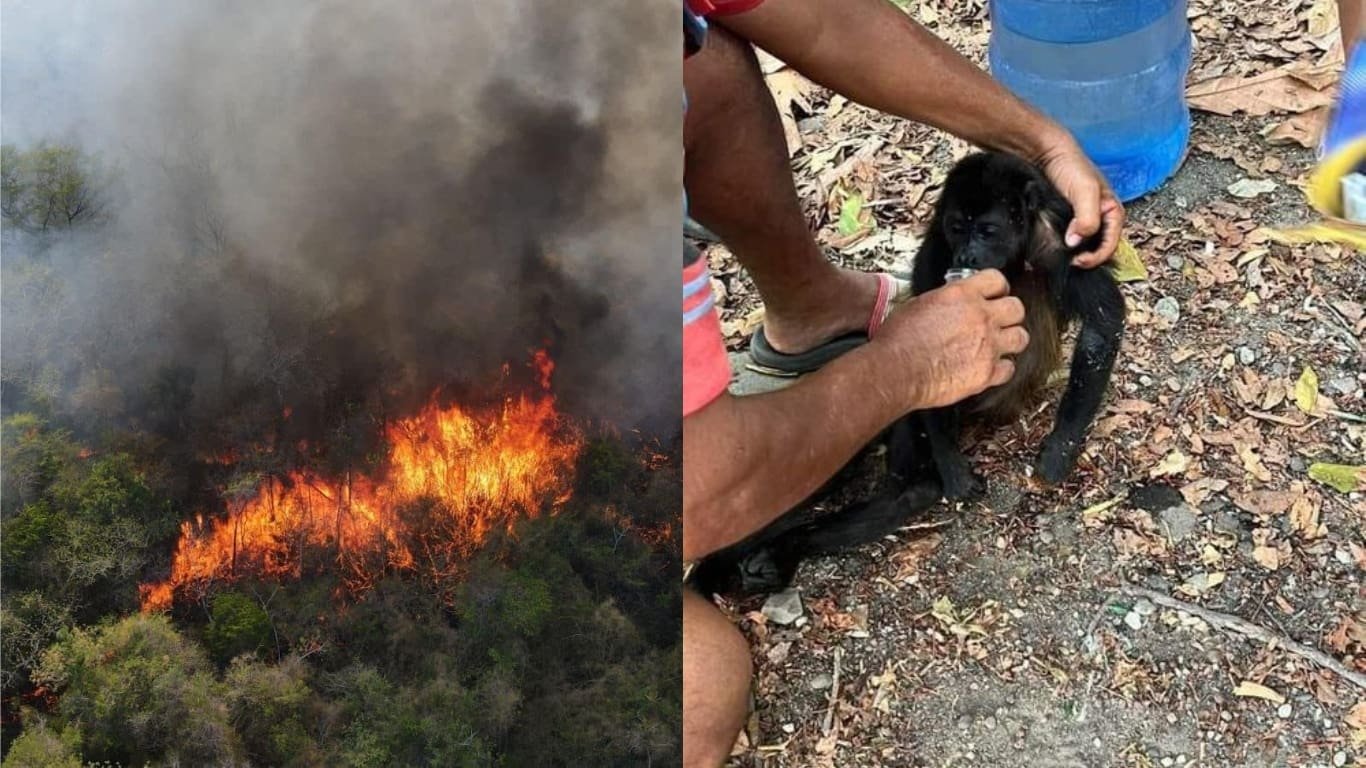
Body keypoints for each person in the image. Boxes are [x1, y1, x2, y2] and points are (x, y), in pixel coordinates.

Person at [679, 1, 1125, 766]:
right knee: (703, 683)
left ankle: (818, 318)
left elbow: (822, 18)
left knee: (706, 59)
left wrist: (1047, 140)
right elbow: (687, 493)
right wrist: (905, 373)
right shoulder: (554, 177)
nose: (964, 248)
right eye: (961, 233)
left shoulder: (1050, 242)